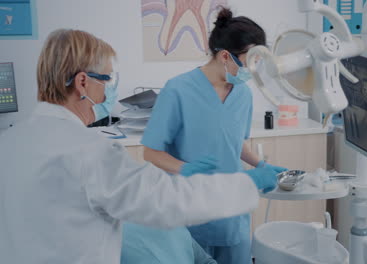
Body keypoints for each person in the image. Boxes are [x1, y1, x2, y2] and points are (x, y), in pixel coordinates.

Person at [0, 29, 279, 264]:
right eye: (107, 79)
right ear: (83, 82)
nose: (110, 90)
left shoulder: (9, 143)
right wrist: (246, 183)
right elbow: (164, 201)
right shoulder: (87, 151)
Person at [135, 8, 288, 264]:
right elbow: (151, 152)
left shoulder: (243, 94)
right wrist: (187, 169)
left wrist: (260, 165)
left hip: (233, 212)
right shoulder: (178, 90)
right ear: (225, 56)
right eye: (251, 61)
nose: (254, 69)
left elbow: (234, 142)